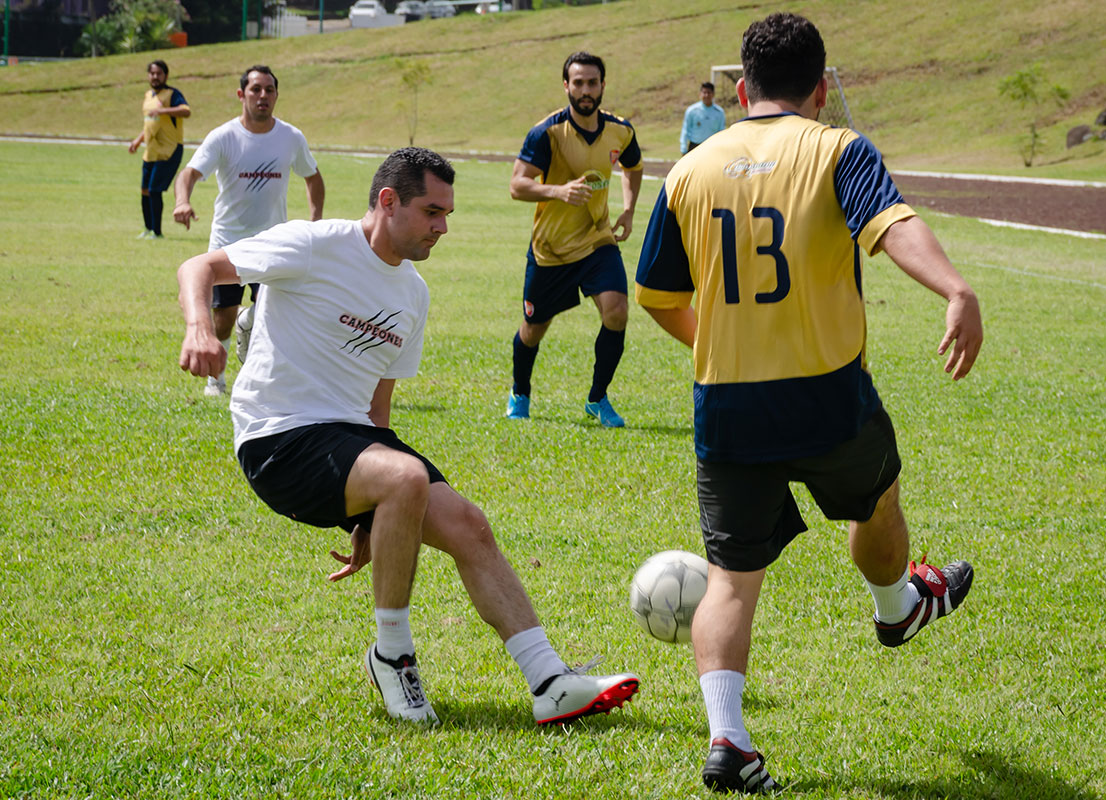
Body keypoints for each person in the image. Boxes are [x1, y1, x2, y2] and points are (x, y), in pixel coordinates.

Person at [635, 13, 983, 794]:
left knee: (729, 579)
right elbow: (893, 227)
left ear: (739, 90)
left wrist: (713, 347)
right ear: (822, 89)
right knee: (877, 499)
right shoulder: (837, 148)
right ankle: (897, 606)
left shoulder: (690, 169)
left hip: (725, 404)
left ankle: (729, 740)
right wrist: (955, 289)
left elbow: (656, 294)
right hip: (826, 396)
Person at [176, 147, 639, 727]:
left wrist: (374, 512)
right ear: (388, 201)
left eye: (447, 213)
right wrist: (200, 328)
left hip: (349, 438)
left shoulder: (413, 294)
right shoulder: (315, 244)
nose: (443, 227)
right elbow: (198, 268)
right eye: (432, 211)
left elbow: (377, 411)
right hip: (277, 438)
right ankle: (391, 654)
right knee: (405, 476)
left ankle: (550, 680)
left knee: (468, 524)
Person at [507, 51, 644, 428]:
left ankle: (597, 398)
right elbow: (517, 186)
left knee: (616, 312)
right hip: (551, 249)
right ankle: (520, 390)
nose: (586, 90)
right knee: (533, 330)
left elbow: (633, 166)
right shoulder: (546, 133)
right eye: (578, 83)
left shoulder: (620, 130)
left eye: (592, 83)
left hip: (597, 239)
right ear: (566, 86)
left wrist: (628, 210)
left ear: (602, 85)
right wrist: (558, 191)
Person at [173, 65, 326, 398]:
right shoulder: (224, 137)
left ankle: (263, 379)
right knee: (224, 316)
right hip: (229, 242)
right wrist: (182, 201)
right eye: (256, 89)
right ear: (241, 94)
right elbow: (188, 174)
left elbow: (313, 178)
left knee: (272, 314)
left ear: (276, 96)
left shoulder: (290, 137)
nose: (263, 96)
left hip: (273, 243)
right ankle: (216, 378)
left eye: (269, 90)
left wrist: (315, 223)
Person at [128, 60, 190, 240]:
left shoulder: (172, 94)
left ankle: (157, 232)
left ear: (166, 76)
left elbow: (186, 111)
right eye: (152, 73)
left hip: (169, 150)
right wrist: (138, 140)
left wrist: (164, 111)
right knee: (145, 190)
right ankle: (148, 229)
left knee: (154, 190)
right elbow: (149, 123)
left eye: (159, 73)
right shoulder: (148, 96)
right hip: (151, 151)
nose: (155, 77)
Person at [679, 81, 725, 154]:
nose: (706, 95)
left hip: (712, 148)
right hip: (694, 147)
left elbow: (721, 132)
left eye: (709, 92)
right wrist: (683, 148)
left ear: (713, 94)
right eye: (704, 92)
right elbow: (685, 130)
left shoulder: (719, 112)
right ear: (700, 94)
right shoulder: (692, 110)